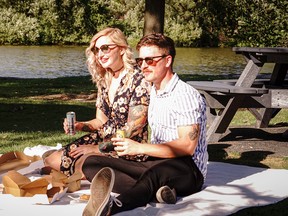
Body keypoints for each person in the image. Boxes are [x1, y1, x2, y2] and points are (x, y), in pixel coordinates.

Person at [81, 33, 208, 216]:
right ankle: (160, 192)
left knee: (155, 174)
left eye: (150, 61)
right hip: (157, 161)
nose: (144, 66)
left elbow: (187, 147)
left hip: (188, 169)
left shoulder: (184, 95)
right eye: (141, 61)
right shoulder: (155, 90)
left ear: (167, 60)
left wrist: (139, 148)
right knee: (92, 163)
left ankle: (112, 206)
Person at [43, 27, 150, 178]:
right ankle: (82, 169)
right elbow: (101, 121)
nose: (100, 54)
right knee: (51, 161)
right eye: (96, 50)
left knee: (86, 164)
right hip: (103, 137)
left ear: (121, 49)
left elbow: (134, 129)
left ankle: (85, 168)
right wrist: (80, 125)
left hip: (126, 145)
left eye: (105, 48)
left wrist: (97, 148)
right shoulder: (105, 78)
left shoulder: (138, 79)